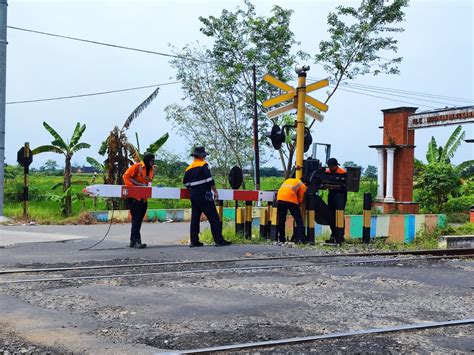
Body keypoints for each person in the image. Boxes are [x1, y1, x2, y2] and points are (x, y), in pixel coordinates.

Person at [183, 146, 231, 247]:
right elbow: (209, 180)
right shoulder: (204, 165)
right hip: (204, 195)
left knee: (195, 219)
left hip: (193, 195)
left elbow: (186, 183)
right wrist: (215, 191)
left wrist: (193, 189)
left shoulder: (189, 168)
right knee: (214, 218)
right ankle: (219, 240)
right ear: (202, 156)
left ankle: (194, 241)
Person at [123, 152, 155, 249]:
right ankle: (137, 241)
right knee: (136, 219)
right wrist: (136, 187)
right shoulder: (137, 167)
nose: (153, 162)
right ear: (147, 161)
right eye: (152, 161)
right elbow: (126, 176)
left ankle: (133, 241)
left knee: (138, 220)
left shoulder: (152, 170)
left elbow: (149, 182)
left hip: (144, 199)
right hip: (134, 198)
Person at [276, 176, 308, 244]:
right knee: (298, 220)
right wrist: (299, 205)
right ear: (305, 183)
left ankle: (281, 238)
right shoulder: (302, 185)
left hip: (280, 199)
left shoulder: (289, 180)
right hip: (291, 200)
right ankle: (299, 239)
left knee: (281, 219)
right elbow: (300, 199)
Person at [325, 157, 347, 244]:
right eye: (328, 167)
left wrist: (330, 186)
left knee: (340, 215)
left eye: (331, 167)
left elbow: (344, 186)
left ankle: (340, 236)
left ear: (335, 166)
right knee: (331, 215)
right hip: (331, 196)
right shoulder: (327, 172)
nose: (329, 168)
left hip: (341, 196)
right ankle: (333, 235)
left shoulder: (343, 173)